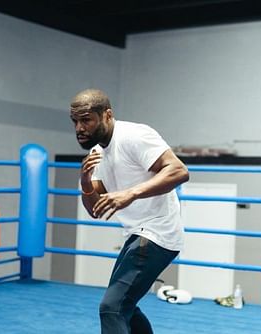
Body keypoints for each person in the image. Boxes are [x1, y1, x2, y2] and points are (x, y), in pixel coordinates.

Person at [70, 89, 189, 334]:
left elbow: (178, 171)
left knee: (112, 307)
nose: (79, 128)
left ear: (107, 115)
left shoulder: (134, 136)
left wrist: (131, 193)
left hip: (158, 233)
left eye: (86, 119)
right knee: (126, 307)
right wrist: (85, 181)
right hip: (137, 234)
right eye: (75, 121)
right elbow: (95, 210)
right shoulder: (96, 154)